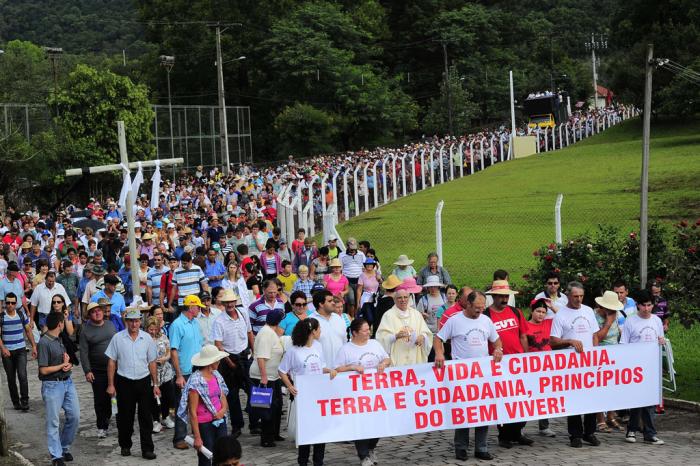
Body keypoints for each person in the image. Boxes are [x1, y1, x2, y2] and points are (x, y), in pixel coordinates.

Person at [434, 291, 501, 461]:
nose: (480, 311)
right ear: (468, 304)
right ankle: (461, 448)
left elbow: (496, 340)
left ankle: (481, 448)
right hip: (462, 375)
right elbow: (438, 338)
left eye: (482, 307)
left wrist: (499, 350)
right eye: (477, 308)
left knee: (483, 411)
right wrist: (439, 354)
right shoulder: (455, 320)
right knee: (464, 412)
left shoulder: (486, 321)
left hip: (483, 374)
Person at [550, 281, 605, 448]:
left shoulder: (588, 311)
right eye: (575, 296)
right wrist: (569, 341)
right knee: (573, 400)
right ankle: (575, 434)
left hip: (589, 362)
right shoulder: (561, 315)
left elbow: (594, 334)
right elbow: (552, 341)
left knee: (591, 398)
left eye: (581, 296)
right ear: (567, 295)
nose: (579, 299)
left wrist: (596, 354)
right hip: (571, 364)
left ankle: (590, 432)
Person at [278, 318, 337, 466]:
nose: (321, 332)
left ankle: (319, 461)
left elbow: (321, 366)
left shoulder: (318, 346)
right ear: (312, 332)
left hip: (319, 393)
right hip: (303, 396)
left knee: (320, 429)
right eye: (319, 329)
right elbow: (282, 370)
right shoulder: (293, 351)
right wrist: (289, 386)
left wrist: (329, 370)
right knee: (306, 430)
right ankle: (303, 461)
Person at [482, 279, 532, 449]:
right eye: (501, 297)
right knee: (503, 401)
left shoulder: (516, 312)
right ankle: (504, 436)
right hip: (498, 365)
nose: (504, 300)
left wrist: (525, 358)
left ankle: (517, 432)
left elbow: (523, 336)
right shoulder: (486, 316)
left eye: (506, 297)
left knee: (521, 399)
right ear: (494, 296)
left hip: (517, 363)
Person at [335, 318, 391, 466]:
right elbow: (337, 369)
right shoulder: (346, 349)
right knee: (361, 424)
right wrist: (352, 367)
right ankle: (363, 455)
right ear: (354, 333)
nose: (368, 332)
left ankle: (371, 448)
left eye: (369, 329)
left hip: (377, 392)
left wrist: (383, 363)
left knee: (378, 424)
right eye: (365, 330)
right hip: (357, 396)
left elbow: (387, 358)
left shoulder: (375, 344)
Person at [105, 307, 160, 460]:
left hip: (143, 381)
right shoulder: (118, 338)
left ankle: (147, 448)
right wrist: (111, 384)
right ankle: (125, 444)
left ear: (140, 322)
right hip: (124, 381)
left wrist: (155, 384)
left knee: (145, 417)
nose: (134, 324)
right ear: (126, 322)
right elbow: (111, 362)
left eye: (136, 321)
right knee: (125, 416)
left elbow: (152, 362)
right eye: (131, 321)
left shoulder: (147, 338)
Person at [621, 290, 665, 446]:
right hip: (636, 366)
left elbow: (660, 340)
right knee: (636, 400)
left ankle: (650, 433)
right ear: (638, 306)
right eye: (643, 305)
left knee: (650, 401)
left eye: (649, 305)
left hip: (652, 366)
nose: (646, 309)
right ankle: (632, 429)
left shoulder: (656, 321)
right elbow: (624, 344)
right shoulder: (631, 321)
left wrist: (662, 342)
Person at [38, 311, 80, 466]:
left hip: (67, 382)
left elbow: (66, 360)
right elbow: (43, 370)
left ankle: (63, 447)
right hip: (52, 384)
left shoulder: (61, 338)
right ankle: (56, 455)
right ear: (60, 323)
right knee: (53, 422)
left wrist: (67, 364)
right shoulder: (44, 342)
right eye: (64, 322)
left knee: (75, 416)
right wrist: (62, 365)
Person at [212, 289, 255, 437]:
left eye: (232, 301)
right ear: (223, 304)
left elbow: (250, 333)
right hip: (229, 357)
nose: (230, 304)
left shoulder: (243, 314)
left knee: (253, 390)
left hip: (245, 355)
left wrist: (254, 352)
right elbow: (218, 344)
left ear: (235, 302)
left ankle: (254, 422)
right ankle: (237, 425)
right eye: (227, 302)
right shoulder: (219, 321)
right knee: (233, 395)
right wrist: (229, 362)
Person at [178, 345, 230, 466]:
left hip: (220, 420)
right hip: (205, 425)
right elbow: (192, 411)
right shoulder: (196, 381)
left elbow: (222, 395)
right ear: (210, 362)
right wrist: (197, 437)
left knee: (222, 456)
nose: (219, 361)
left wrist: (223, 410)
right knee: (205, 459)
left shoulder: (216, 375)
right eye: (217, 359)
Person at [169, 294, 205, 449]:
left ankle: (198, 432)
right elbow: (174, 351)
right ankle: (179, 438)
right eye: (198, 307)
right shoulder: (177, 325)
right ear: (191, 307)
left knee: (198, 403)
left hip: (197, 369)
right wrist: (178, 375)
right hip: (184, 371)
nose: (199, 310)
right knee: (182, 405)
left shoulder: (195, 323)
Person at [79, 301, 117, 438]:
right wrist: (87, 370)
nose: (97, 313)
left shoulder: (110, 325)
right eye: (93, 311)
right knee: (100, 399)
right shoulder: (85, 331)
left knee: (116, 396)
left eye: (99, 310)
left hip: (115, 368)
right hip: (98, 370)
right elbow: (83, 352)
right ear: (89, 315)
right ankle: (102, 426)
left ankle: (115, 420)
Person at [249, 309, 286, 447]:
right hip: (265, 377)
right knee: (267, 408)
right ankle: (266, 438)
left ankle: (274, 433)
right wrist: (264, 376)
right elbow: (261, 357)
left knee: (277, 407)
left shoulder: (271, 332)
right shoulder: (266, 334)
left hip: (274, 376)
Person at [376, 288, 432, 365]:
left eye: (405, 297)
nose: (403, 300)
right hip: (397, 356)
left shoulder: (416, 314)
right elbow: (381, 338)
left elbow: (426, 332)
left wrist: (423, 336)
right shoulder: (388, 315)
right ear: (394, 300)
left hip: (414, 355)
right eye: (399, 298)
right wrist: (395, 336)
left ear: (409, 298)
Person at [593, 291, 623, 433]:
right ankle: (600, 419)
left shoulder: (616, 315)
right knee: (600, 388)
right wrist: (608, 322)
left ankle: (611, 416)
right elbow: (598, 337)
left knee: (613, 387)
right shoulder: (595, 316)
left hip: (614, 354)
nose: (611, 311)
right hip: (600, 355)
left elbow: (617, 334)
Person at [524, 299, 556, 437]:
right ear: (532, 311)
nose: (541, 315)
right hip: (530, 367)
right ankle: (520, 426)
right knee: (527, 397)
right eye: (538, 311)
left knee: (545, 396)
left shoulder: (549, 323)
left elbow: (564, 317)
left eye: (544, 312)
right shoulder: (525, 325)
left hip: (547, 366)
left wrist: (552, 307)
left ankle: (544, 426)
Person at [1, 292, 37, 411]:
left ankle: (25, 401)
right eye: (8, 303)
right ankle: (16, 402)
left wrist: (34, 346)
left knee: (22, 375)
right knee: (11, 378)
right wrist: (3, 349)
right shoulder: (1, 317)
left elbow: (28, 331)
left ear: (16, 304)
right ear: (5, 304)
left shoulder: (21, 315)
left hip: (21, 349)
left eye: (12, 303)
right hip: (7, 352)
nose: (10, 305)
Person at [144, 316, 176, 433]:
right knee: (154, 397)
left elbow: (169, 352)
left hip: (165, 371)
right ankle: (156, 420)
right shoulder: (144, 339)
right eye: (150, 329)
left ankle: (166, 416)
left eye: (154, 329)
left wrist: (164, 359)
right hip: (151, 372)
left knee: (167, 395)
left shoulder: (163, 337)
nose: (152, 331)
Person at [310, 289, 347, 367]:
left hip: (341, 371)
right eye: (330, 301)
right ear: (321, 304)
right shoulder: (309, 321)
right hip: (320, 372)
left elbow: (345, 343)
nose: (333, 303)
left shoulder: (339, 319)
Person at [338, 237, 365, 318]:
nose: (353, 250)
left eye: (354, 248)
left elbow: (364, 267)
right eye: (351, 248)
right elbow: (340, 269)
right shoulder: (342, 255)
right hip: (348, 281)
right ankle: (351, 318)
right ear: (347, 246)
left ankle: (358, 317)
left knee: (359, 301)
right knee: (351, 300)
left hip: (359, 281)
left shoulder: (361, 254)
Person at [356, 258, 380, 325]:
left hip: (375, 297)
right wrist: (358, 302)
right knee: (369, 317)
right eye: (367, 264)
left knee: (376, 316)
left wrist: (379, 279)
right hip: (366, 298)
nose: (369, 266)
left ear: (373, 265)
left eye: (371, 264)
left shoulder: (377, 274)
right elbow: (359, 289)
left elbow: (382, 284)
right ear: (365, 265)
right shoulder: (362, 275)